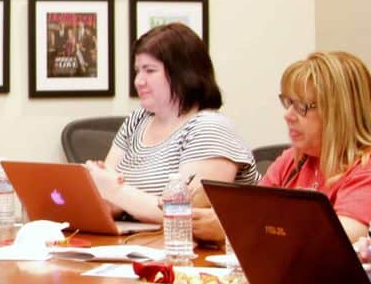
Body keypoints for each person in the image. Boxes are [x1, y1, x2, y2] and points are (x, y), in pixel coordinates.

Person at [87, 23, 259, 223]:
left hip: (191, 250)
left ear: (183, 73)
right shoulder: (137, 120)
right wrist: (99, 192)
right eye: (138, 71)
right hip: (139, 243)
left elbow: (184, 213)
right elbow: (107, 196)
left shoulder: (210, 127)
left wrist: (115, 190)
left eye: (149, 71)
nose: (138, 81)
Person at [193, 52, 371, 244]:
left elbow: (341, 238)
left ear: (340, 112)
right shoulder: (294, 159)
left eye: (302, 106)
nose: (288, 115)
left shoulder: (365, 167)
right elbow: (252, 211)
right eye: (288, 103)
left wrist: (231, 227)